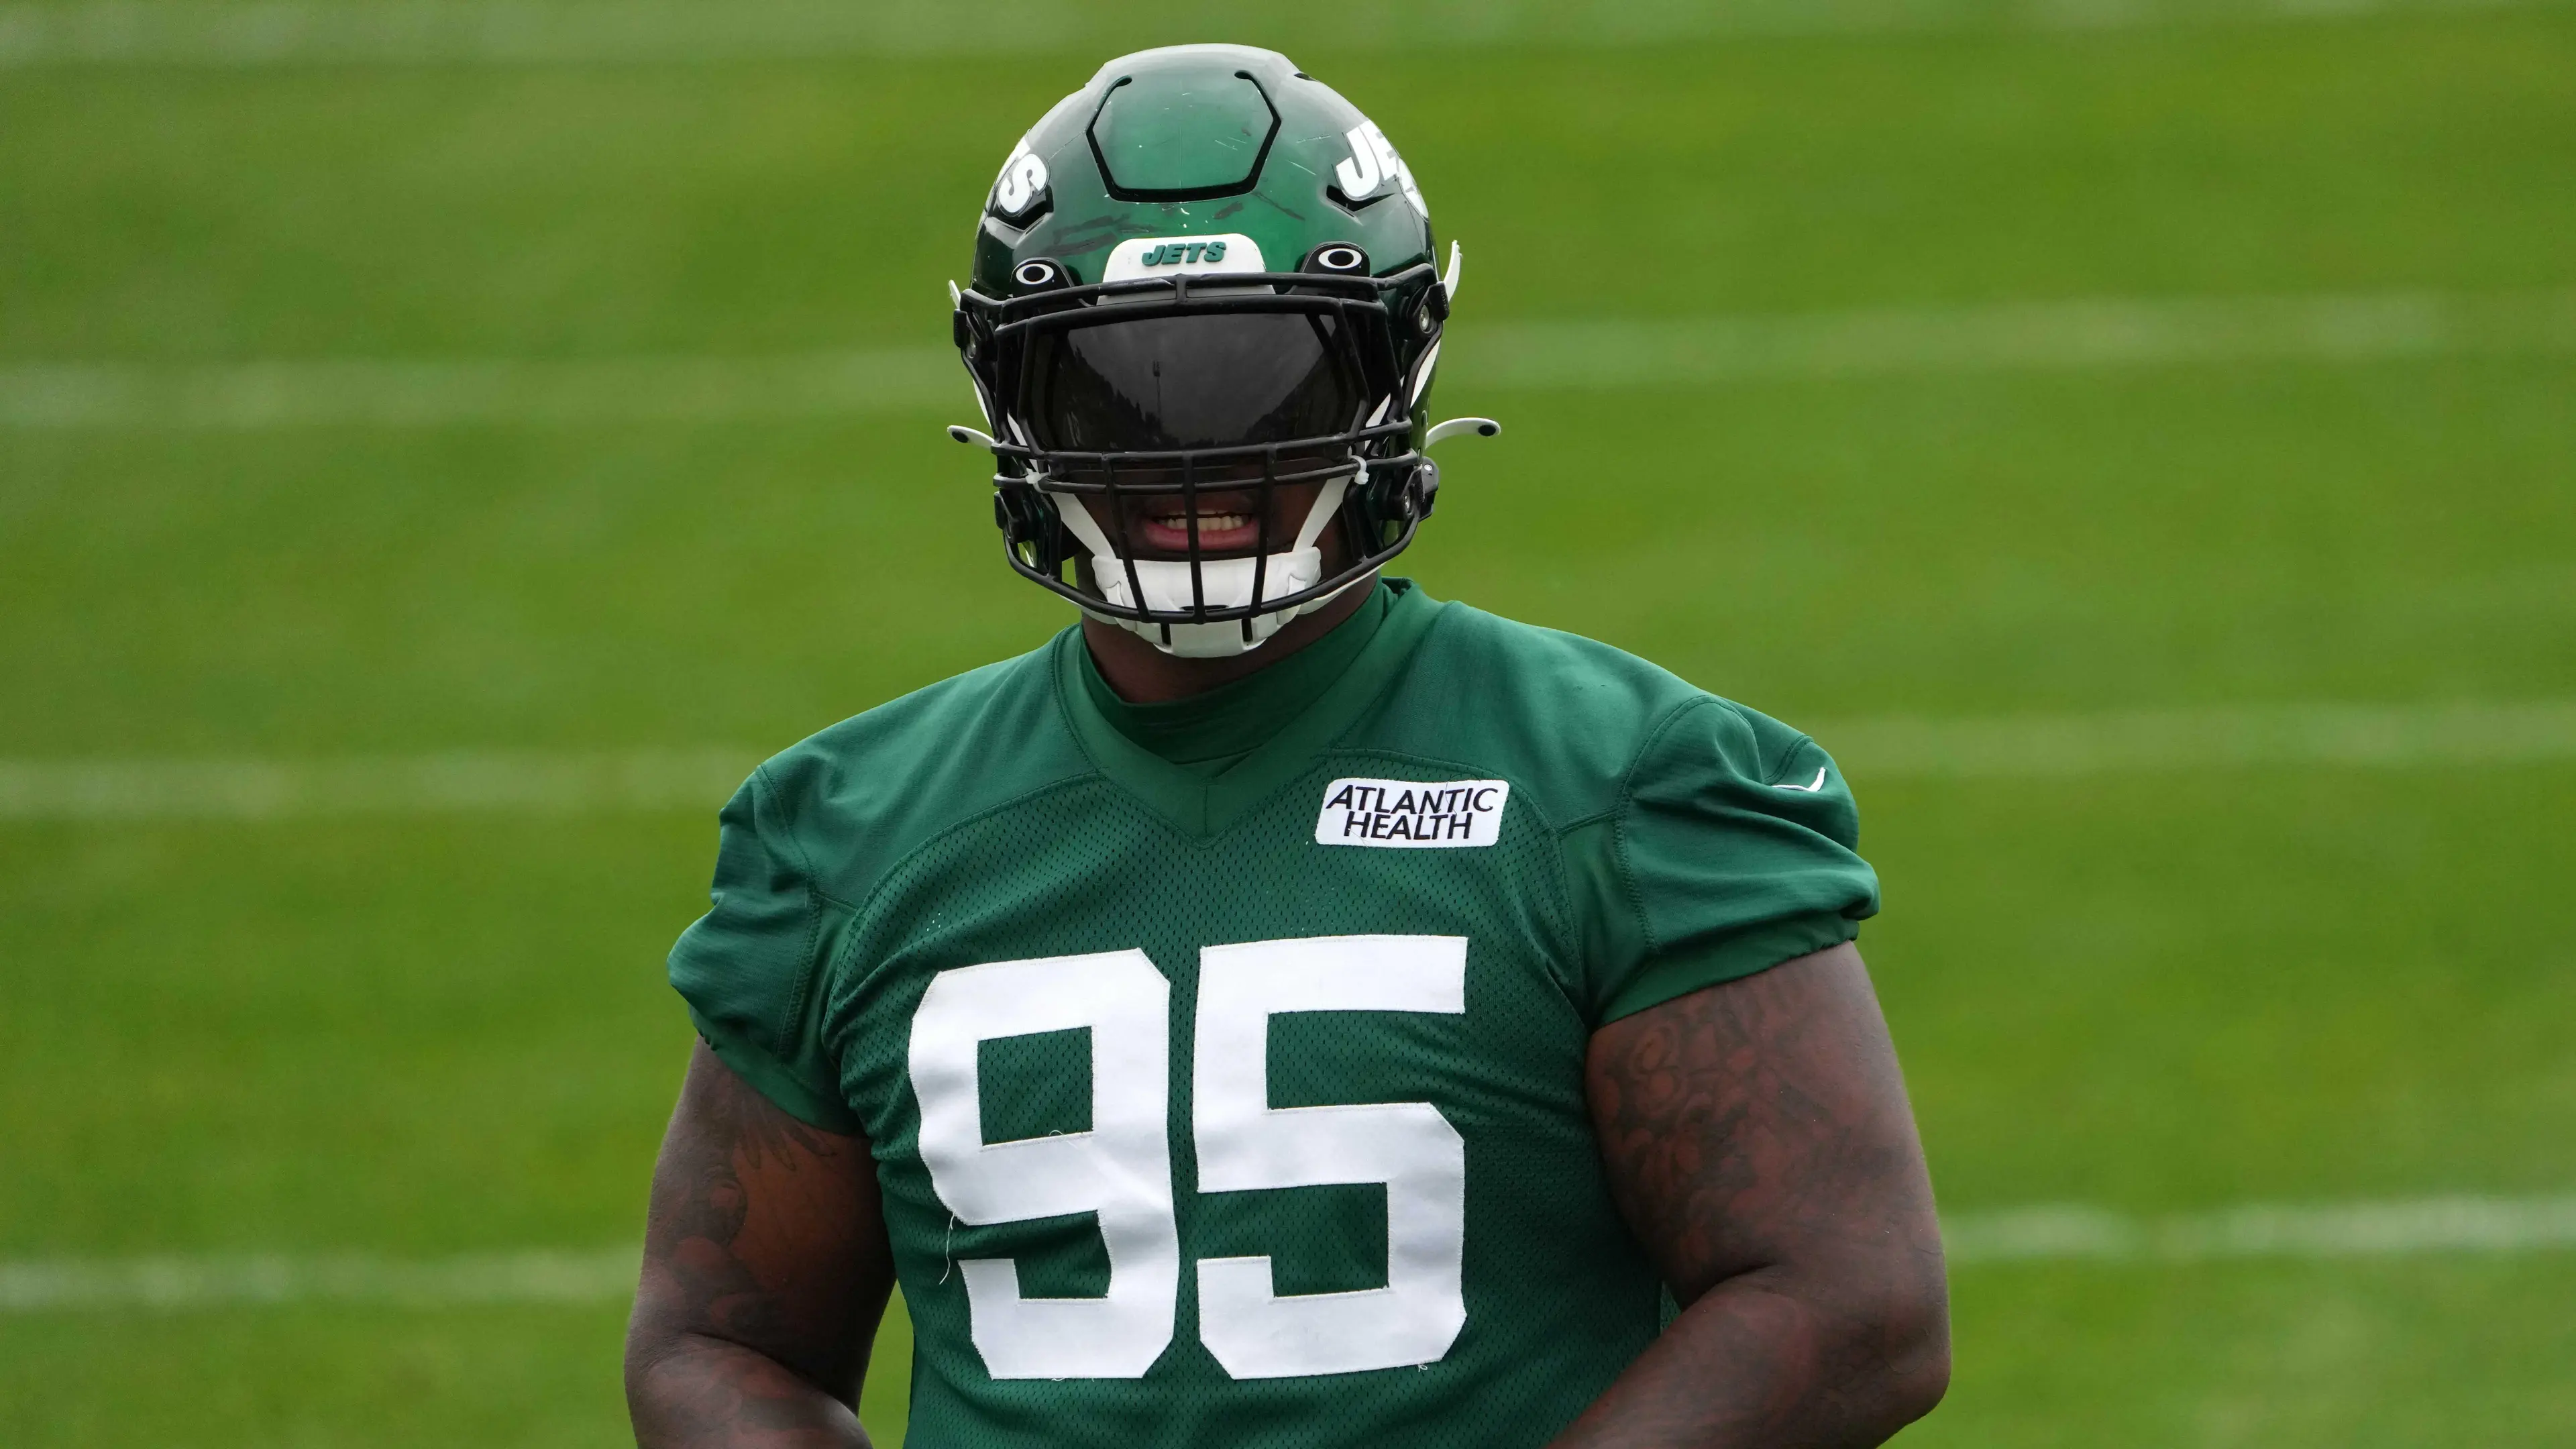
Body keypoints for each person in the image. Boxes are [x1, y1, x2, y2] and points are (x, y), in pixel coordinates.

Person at [625, 43, 1947, 1449]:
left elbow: (1850, 1300)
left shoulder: (1620, 788)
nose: (1198, 460)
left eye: (1268, 383)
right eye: (1117, 389)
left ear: (1395, 374)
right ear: (1013, 405)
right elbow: (719, 1343)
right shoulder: (848, 832)